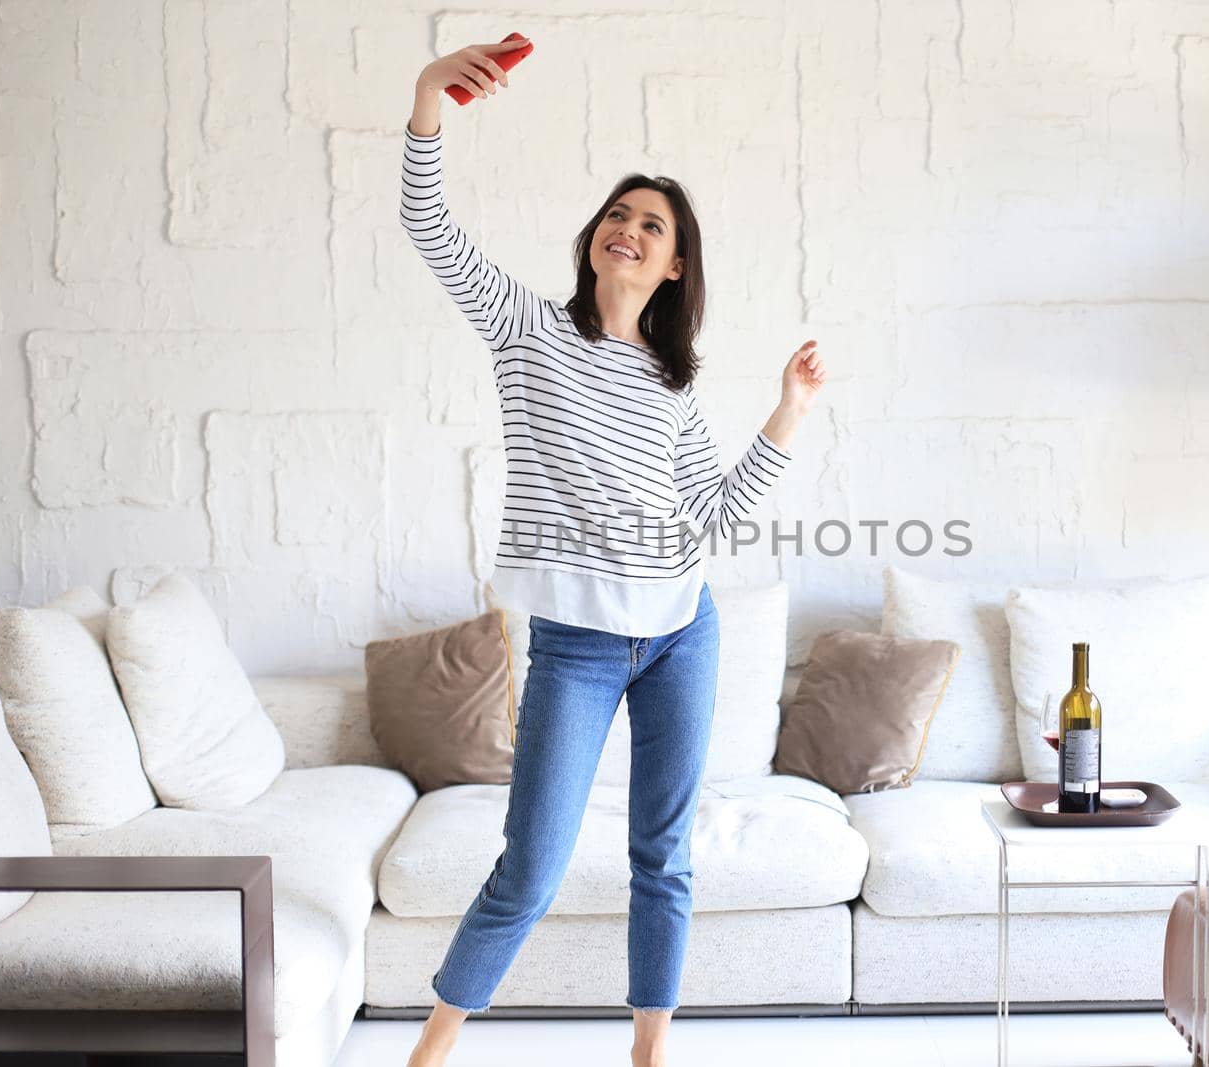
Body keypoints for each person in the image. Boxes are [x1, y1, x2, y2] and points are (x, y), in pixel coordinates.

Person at [399, 37, 826, 1067]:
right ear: (594, 238)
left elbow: (716, 519)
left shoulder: (674, 384)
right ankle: (432, 1049)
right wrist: (427, 98)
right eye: (617, 213)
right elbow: (428, 223)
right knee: (531, 867)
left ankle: (647, 1053)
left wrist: (786, 412)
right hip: (579, 647)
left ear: (674, 262)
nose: (626, 228)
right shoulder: (527, 329)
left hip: (682, 629)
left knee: (661, 857)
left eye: (651, 222)